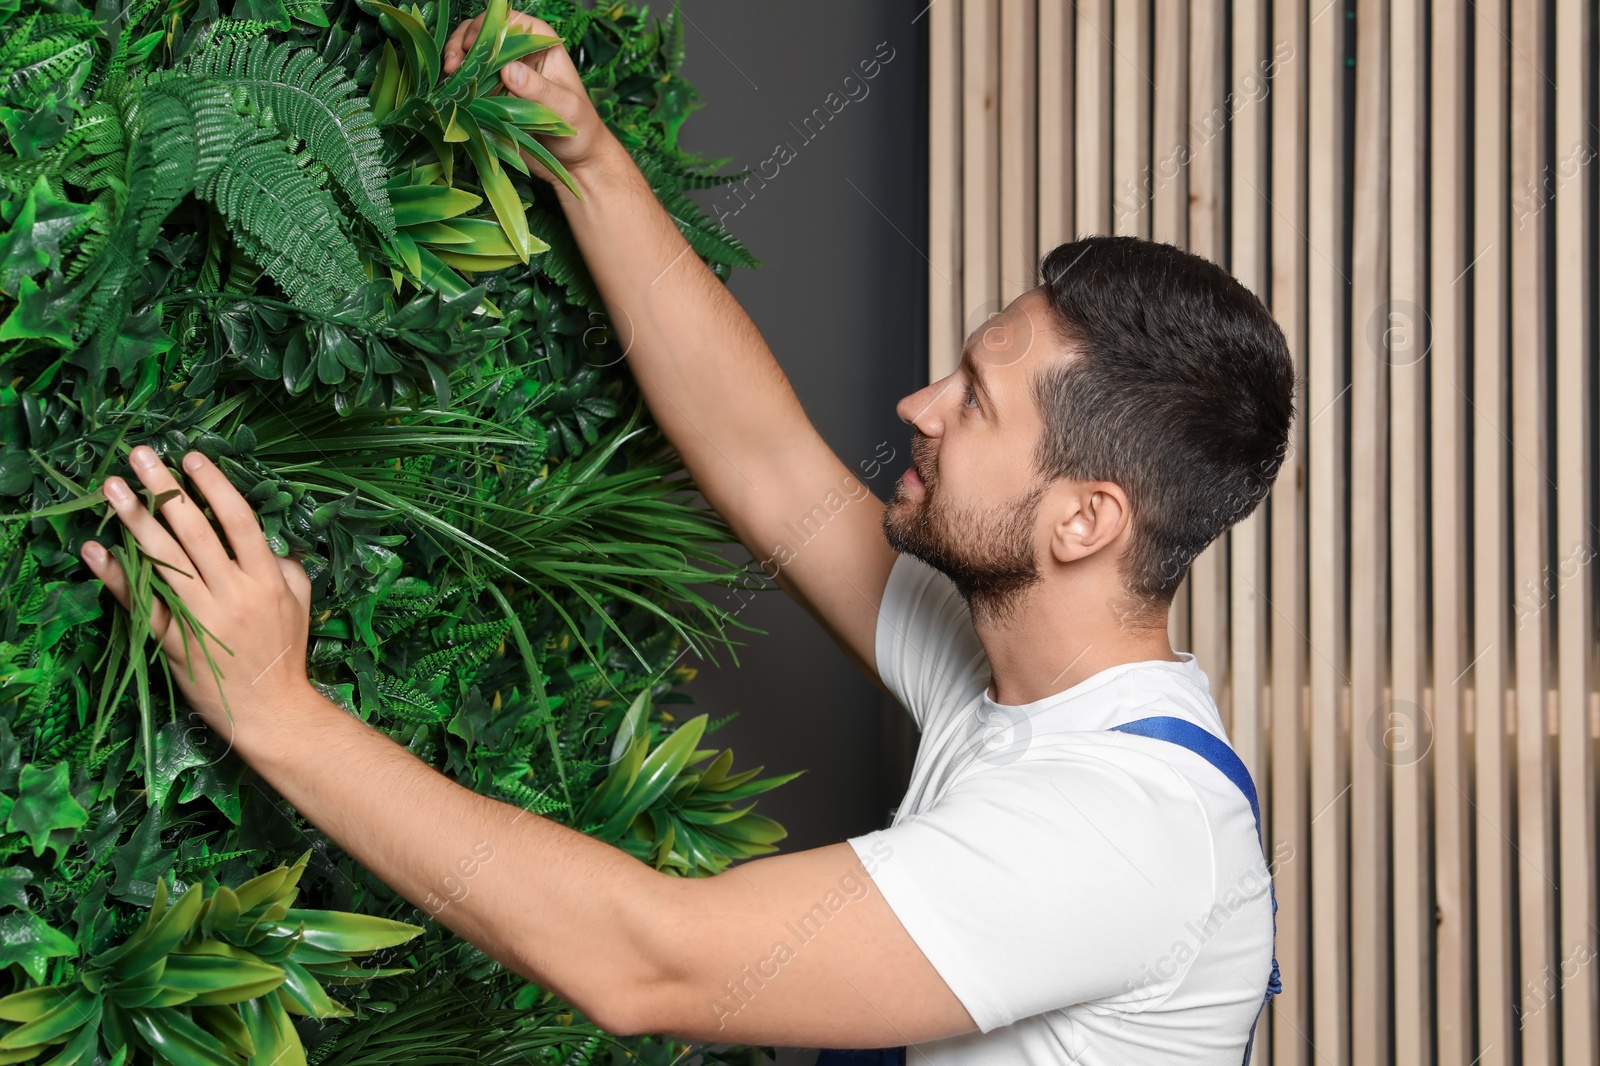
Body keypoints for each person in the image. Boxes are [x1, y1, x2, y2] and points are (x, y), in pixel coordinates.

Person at [78, 9, 1294, 1064]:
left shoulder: (1120, 832)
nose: (918, 407)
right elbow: (769, 466)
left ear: (1085, 520)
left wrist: (275, 710)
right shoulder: (1021, 672)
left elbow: (646, 962)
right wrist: (589, 162)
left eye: (974, 400)